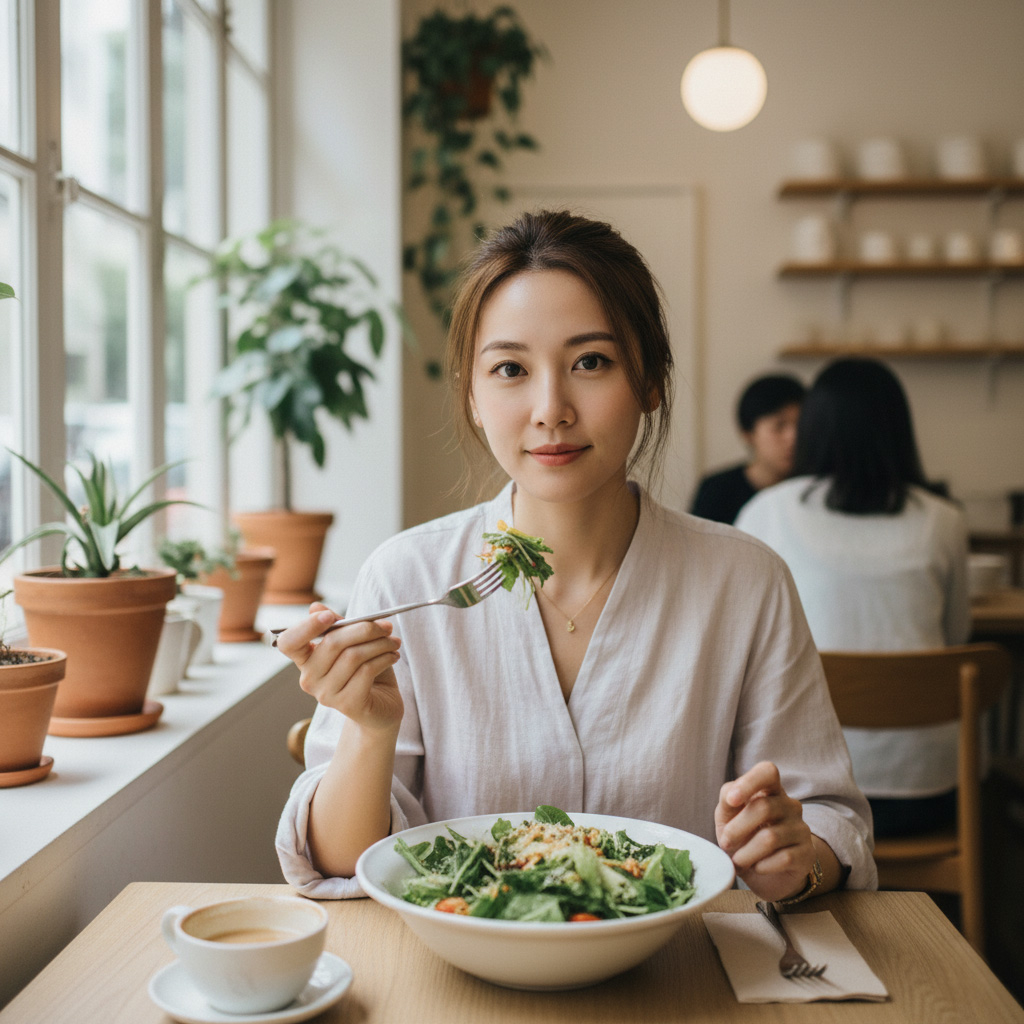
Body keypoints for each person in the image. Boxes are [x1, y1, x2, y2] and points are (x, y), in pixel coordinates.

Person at [274, 210, 875, 902]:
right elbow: (344, 865)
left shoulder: (745, 580)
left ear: (650, 381)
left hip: (678, 982)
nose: (551, 408)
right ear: (472, 396)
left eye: (591, 362)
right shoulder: (408, 577)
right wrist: (369, 730)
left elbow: (831, 819)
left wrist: (796, 857)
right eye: (509, 369)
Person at [735, 358, 970, 838]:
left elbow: (740, 647)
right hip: (927, 789)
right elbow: (956, 636)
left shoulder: (768, 512)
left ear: (814, 428)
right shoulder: (944, 520)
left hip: (802, 798)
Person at [690, 374, 805, 524]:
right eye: (779, 426)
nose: (793, 437)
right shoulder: (718, 490)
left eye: (801, 424)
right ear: (748, 434)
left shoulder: (814, 489)